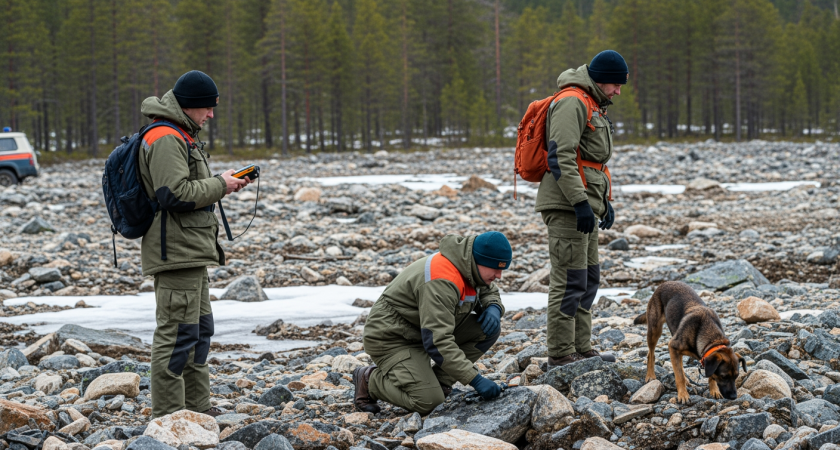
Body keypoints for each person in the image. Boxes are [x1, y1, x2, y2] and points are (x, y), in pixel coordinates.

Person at [138, 70, 250, 417]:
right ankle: (169, 418)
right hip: (175, 254)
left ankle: (197, 411)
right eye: (207, 107)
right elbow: (174, 193)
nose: (211, 115)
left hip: (191, 252)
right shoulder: (165, 137)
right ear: (189, 105)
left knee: (199, 332)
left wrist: (221, 183)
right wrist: (221, 184)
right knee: (176, 336)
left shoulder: (181, 134)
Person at [534, 50, 627, 367]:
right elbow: (560, 156)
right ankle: (561, 355)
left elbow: (593, 162)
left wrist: (604, 201)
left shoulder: (593, 104)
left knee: (588, 277)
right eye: (616, 85)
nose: (618, 92)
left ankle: (581, 347)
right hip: (567, 205)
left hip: (586, 204)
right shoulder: (572, 101)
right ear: (602, 79)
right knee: (569, 280)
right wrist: (579, 202)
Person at [354, 232, 512, 415]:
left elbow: (487, 289)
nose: (499, 276)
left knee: (487, 330)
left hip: (421, 331)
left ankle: (439, 382)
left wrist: (493, 306)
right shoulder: (442, 280)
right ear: (478, 260)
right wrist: (475, 379)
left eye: (502, 269)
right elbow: (438, 342)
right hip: (392, 338)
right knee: (428, 402)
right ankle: (369, 380)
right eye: (495, 268)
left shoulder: (469, 267)